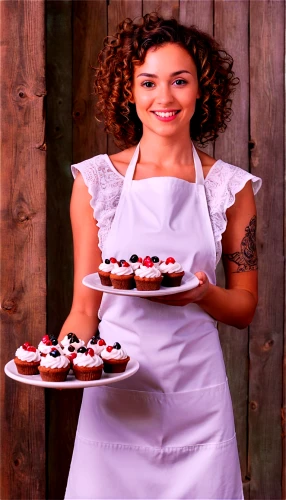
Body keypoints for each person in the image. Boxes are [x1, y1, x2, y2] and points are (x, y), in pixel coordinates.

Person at [60, 13, 261, 499]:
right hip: (116, 398)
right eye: (148, 82)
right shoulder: (95, 182)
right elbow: (86, 309)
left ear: (201, 90)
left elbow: (244, 308)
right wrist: (61, 359)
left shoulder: (230, 188)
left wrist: (204, 293)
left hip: (197, 400)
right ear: (128, 91)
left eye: (179, 81)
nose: (164, 98)